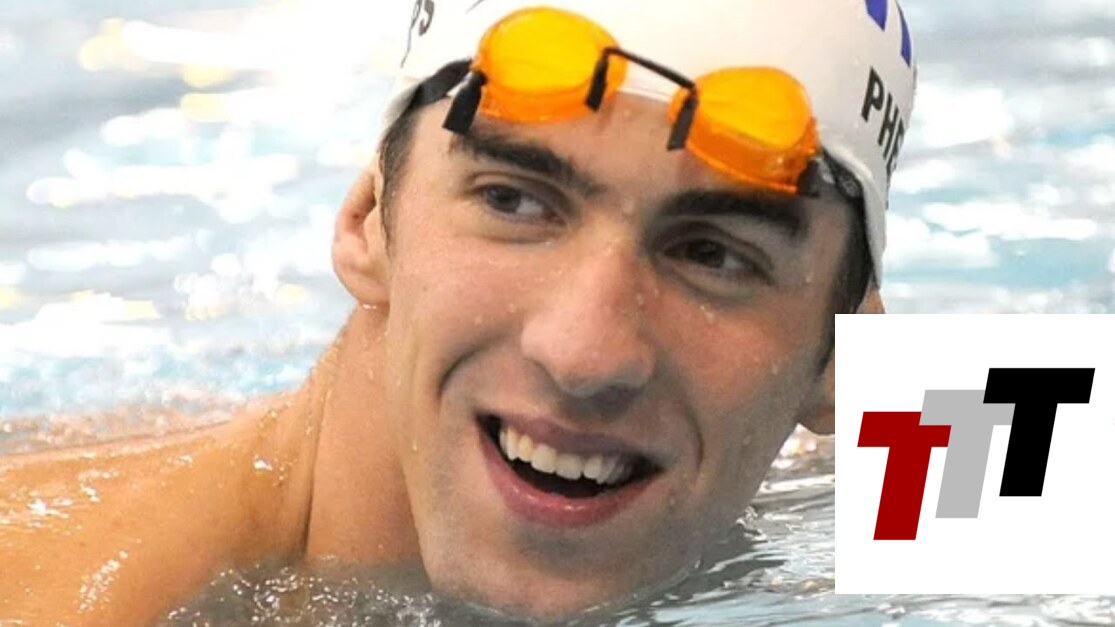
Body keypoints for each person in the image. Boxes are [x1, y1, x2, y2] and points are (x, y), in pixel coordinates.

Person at [0, 0, 917, 623]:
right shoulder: (65, 594)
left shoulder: (856, 480)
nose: (584, 353)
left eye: (712, 255)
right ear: (367, 222)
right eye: (514, 202)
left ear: (843, 357)